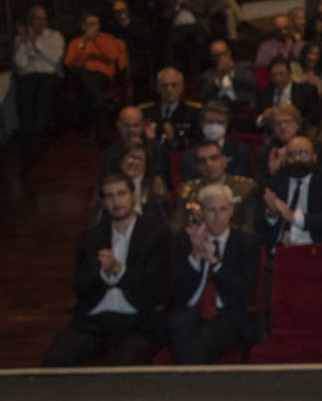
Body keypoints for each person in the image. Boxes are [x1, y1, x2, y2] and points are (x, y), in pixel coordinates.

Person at [43, 173, 169, 366]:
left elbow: (153, 289)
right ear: (102, 202)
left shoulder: (155, 235)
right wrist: (102, 273)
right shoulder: (90, 238)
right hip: (94, 320)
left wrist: (119, 270)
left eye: (121, 194)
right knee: (55, 359)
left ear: (133, 195)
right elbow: (80, 287)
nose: (116, 201)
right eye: (109, 196)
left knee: (120, 365)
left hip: (135, 320)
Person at [166, 183, 262, 364]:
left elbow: (244, 293)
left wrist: (213, 261)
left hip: (228, 314)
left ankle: (188, 384)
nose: (218, 217)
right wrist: (195, 255)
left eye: (223, 209)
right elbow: (177, 293)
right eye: (211, 210)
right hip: (190, 312)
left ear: (231, 210)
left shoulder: (247, 243)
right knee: (180, 325)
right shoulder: (186, 241)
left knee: (200, 341)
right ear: (201, 212)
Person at [260, 135, 322, 249]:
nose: (297, 159)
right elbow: (261, 226)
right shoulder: (276, 183)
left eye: (303, 154)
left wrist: (293, 217)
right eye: (291, 155)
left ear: (314, 157)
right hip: (281, 249)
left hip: (314, 249)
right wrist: (272, 215)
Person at [174, 139, 258, 235]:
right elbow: (175, 229)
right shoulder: (187, 190)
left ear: (224, 161)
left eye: (214, 158)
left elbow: (251, 229)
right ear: (197, 166)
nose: (209, 164)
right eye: (202, 161)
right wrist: (190, 217)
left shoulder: (246, 188)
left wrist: (213, 223)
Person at [63, 12, 129, 133]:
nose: (94, 27)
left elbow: (112, 56)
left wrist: (95, 45)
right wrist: (84, 42)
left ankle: (96, 124)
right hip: (80, 79)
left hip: (103, 77)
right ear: (83, 26)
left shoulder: (107, 39)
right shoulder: (76, 42)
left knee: (91, 87)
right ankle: (101, 123)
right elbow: (69, 62)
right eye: (90, 24)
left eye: (96, 24)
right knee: (84, 73)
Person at [13, 5, 65, 141]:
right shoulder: (20, 39)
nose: (41, 22)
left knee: (43, 96)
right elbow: (20, 63)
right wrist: (25, 42)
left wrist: (36, 42)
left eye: (44, 19)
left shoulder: (54, 36)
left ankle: (39, 134)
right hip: (28, 76)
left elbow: (55, 58)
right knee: (24, 96)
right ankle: (29, 134)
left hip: (48, 75)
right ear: (30, 21)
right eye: (37, 19)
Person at [180, 100, 252, 181]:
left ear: (227, 125)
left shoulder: (239, 151)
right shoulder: (189, 155)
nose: (214, 127)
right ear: (202, 123)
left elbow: (244, 183)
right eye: (210, 122)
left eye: (220, 123)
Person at [140, 67, 200, 150]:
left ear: (181, 87)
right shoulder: (146, 112)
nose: (169, 89)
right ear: (158, 87)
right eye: (165, 85)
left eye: (174, 85)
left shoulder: (194, 112)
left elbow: (196, 142)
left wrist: (174, 139)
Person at [255, 57, 322, 129]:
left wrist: (296, 121)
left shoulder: (307, 91)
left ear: (290, 73)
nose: (278, 78)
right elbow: (253, 121)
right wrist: (263, 117)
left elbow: (316, 116)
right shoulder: (263, 93)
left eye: (281, 74)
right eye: (274, 75)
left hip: (299, 132)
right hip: (270, 133)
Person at [200, 39, 257, 112]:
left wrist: (230, 74)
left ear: (229, 52)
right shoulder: (208, 75)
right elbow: (205, 98)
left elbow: (251, 87)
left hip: (244, 109)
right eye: (216, 56)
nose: (221, 58)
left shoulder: (244, 67)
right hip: (220, 112)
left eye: (224, 53)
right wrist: (219, 78)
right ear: (212, 58)